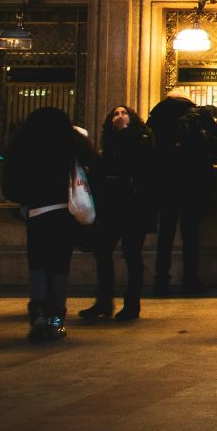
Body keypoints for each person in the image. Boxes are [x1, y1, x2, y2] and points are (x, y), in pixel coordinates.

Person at [2, 106, 96, 341]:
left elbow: (10, 184)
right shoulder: (70, 141)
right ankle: (57, 320)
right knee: (60, 266)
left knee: (38, 264)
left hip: (37, 213)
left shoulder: (23, 144)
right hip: (65, 213)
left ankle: (38, 314)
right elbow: (94, 165)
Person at [81, 104, 154, 321]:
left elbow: (133, 162)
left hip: (133, 205)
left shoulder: (141, 137)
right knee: (102, 252)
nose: (120, 117)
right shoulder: (110, 141)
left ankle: (132, 305)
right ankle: (104, 301)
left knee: (132, 255)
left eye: (124, 113)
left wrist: (123, 133)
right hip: (111, 206)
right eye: (115, 114)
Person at [147, 90, 217, 297]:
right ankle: (190, 281)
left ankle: (161, 281)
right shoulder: (200, 115)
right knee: (191, 234)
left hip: (166, 182)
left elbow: (149, 149)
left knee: (166, 233)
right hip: (194, 182)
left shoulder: (157, 115)